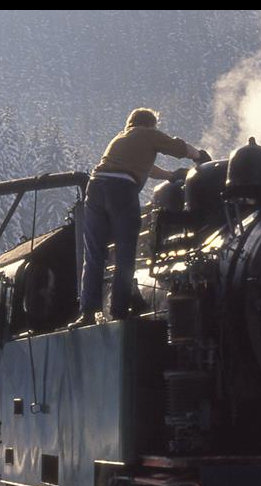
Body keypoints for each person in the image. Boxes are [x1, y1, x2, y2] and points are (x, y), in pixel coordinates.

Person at [70, 108, 210, 328]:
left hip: (95, 189)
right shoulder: (147, 133)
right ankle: (119, 310)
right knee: (125, 251)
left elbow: (147, 168)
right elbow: (178, 147)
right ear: (150, 124)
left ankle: (87, 312)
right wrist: (199, 156)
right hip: (121, 190)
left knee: (94, 252)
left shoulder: (121, 138)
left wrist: (170, 176)